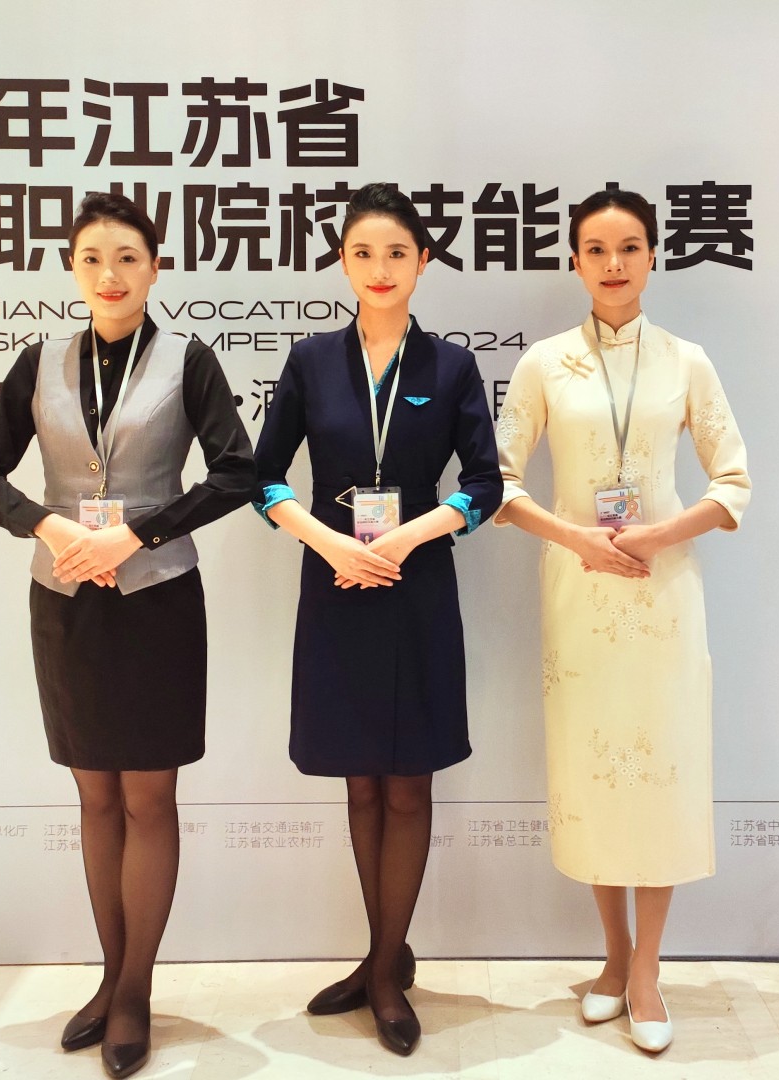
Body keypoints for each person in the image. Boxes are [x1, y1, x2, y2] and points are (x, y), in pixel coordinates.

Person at [0, 192, 256, 1079]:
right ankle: (110, 974)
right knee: (94, 798)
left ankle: (134, 991)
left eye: (127, 258)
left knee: (149, 799)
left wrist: (139, 534)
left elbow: (237, 472)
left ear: (155, 268)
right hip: (66, 600)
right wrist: (48, 525)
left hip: (158, 600)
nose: (110, 275)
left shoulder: (187, 359)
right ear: (71, 269)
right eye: (91, 259)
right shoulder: (40, 360)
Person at [492, 188, 751, 1054]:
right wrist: (577, 538)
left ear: (653, 257)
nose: (613, 263)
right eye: (596, 249)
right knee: (594, 774)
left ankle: (647, 969)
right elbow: (498, 483)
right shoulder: (543, 364)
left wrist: (658, 534)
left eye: (630, 247)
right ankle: (609, 957)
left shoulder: (686, 361)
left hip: (663, 595)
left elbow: (733, 481)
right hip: (579, 594)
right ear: (574, 260)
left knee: (661, 775)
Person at [250, 182, 501, 1057]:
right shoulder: (311, 360)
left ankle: (386, 971)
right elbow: (263, 477)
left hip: (417, 583)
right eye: (363, 253)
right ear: (342, 263)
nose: (380, 268)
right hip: (337, 584)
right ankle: (383, 955)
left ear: (423, 261)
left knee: (409, 782)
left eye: (397, 253)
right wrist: (330, 543)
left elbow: (485, 483)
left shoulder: (451, 367)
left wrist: (410, 535)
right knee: (360, 780)